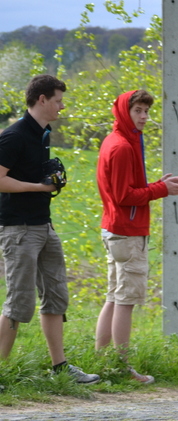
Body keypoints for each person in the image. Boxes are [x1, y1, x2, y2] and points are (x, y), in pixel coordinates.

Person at [0, 75, 100, 384]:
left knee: (56, 297)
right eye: (57, 100)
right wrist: (38, 186)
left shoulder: (43, 134)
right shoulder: (14, 135)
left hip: (44, 225)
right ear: (41, 99)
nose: (61, 106)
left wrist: (51, 181)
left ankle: (61, 367)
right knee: (19, 303)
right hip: (19, 229)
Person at [94, 90, 178, 384]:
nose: (145, 117)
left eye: (147, 111)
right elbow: (124, 196)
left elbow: (128, 189)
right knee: (126, 300)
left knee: (114, 297)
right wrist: (162, 189)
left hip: (116, 229)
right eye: (139, 111)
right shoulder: (121, 146)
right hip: (126, 233)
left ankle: (102, 360)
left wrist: (158, 184)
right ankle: (121, 367)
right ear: (125, 111)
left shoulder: (119, 140)